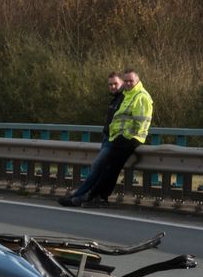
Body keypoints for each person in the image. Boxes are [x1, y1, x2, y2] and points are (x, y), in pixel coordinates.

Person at [60, 68, 153, 208]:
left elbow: (140, 123)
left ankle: (87, 197)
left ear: (138, 80)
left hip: (128, 139)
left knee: (106, 168)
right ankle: (96, 197)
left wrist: (124, 136)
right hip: (118, 138)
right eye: (126, 80)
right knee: (109, 169)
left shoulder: (141, 96)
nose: (128, 83)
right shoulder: (129, 94)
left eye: (130, 81)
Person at [60, 72, 126, 206]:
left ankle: (78, 195)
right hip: (107, 137)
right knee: (101, 169)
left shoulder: (124, 99)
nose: (113, 86)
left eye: (115, 84)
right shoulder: (115, 99)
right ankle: (92, 196)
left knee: (96, 166)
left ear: (122, 83)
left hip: (113, 141)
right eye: (110, 84)